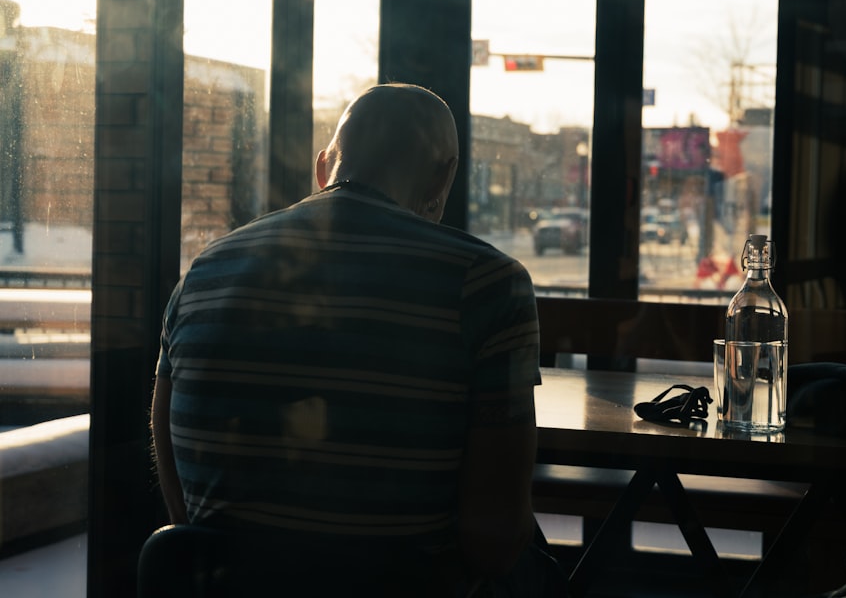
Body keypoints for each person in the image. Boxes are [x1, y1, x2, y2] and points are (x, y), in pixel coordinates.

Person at [151, 83, 566, 596]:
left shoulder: (204, 271)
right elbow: (495, 541)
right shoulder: (487, 284)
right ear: (445, 175)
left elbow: (181, 501)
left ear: (323, 167)